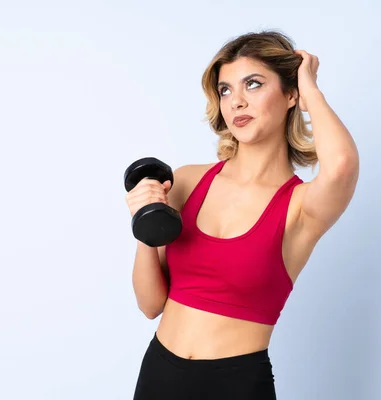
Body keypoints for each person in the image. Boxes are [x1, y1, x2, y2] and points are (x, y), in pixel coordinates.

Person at [126, 30, 360, 399]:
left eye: (253, 85)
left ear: (289, 94)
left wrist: (311, 91)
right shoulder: (186, 180)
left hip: (234, 385)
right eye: (225, 90)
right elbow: (150, 305)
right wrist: (144, 222)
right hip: (159, 374)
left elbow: (342, 166)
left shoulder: (300, 207)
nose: (236, 102)